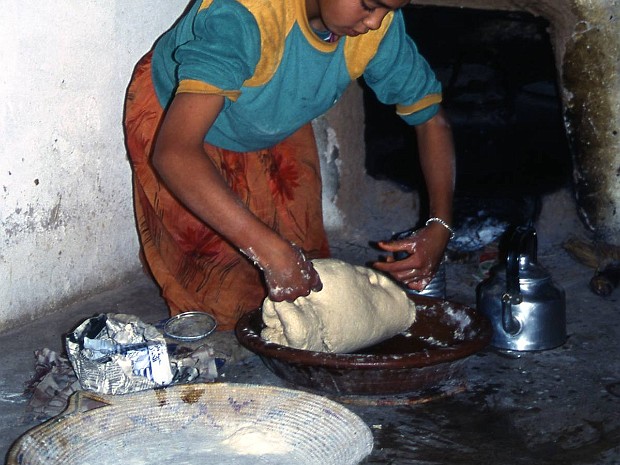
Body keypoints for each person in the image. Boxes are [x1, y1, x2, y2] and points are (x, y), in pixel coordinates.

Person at [124, 0, 455, 331]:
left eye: (389, 10)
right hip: (183, 128)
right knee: (231, 304)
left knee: (308, 283)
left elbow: (430, 120)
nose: (375, 22)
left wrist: (440, 224)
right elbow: (175, 154)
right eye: (369, 5)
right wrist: (269, 253)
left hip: (273, 116)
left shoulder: (378, 26)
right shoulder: (245, 15)